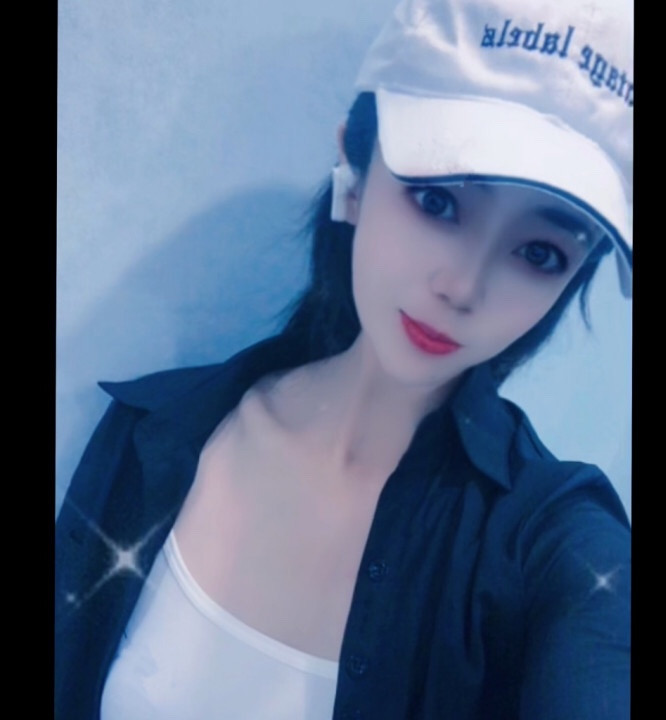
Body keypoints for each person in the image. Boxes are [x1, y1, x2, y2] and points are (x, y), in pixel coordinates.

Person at [55, 0, 633, 718]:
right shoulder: (149, 434)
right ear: (354, 178)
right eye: (438, 201)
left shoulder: (550, 540)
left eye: (540, 254)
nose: (463, 287)